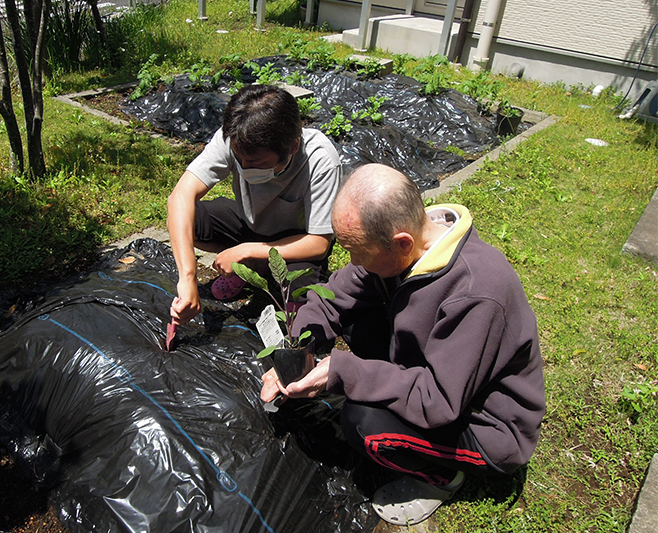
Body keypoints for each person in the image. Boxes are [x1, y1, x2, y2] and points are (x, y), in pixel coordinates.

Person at [260, 163, 546, 526]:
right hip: (434, 372)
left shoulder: (477, 293)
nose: (353, 262)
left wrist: (343, 371)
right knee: (357, 313)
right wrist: (300, 347)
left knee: (363, 423)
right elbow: (332, 296)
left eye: (358, 252)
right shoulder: (397, 239)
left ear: (403, 243)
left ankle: (441, 477)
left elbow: (438, 401)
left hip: (484, 425)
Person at [167, 84, 342, 325]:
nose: (245, 168)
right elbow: (180, 196)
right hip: (248, 223)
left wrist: (247, 251)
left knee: (301, 307)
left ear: (292, 147)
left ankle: (255, 265)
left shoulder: (320, 160)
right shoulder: (236, 137)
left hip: (296, 243)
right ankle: (251, 267)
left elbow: (319, 242)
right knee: (190, 221)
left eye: (257, 163)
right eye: (240, 160)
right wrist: (187, 276)